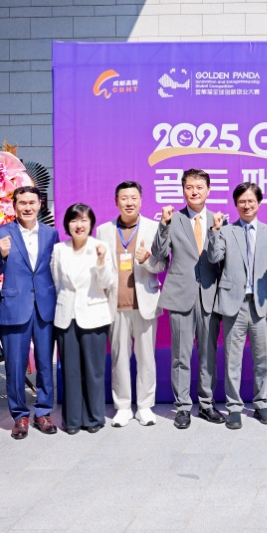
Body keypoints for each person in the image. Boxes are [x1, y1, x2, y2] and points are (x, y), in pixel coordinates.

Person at [207, 182, 267, 430]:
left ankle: (261, 403)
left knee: (262, 359)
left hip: (261, 306)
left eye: (251, 201)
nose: (247, 205)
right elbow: (214, 257)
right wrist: (214, 231)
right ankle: (234, 407)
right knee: (233, 360)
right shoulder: (226, 231)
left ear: (259, 203)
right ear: (236, 204)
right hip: (234, 305)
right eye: (242, 201)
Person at [150, 168, 224, 429]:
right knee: (181, 355)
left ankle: (206, 404)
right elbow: (159, 252)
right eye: (189, 187)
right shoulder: (174, 219)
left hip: (209, 295)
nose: (194, 191)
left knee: (208, 354)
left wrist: (216, 231)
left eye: (199, 187)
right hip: (181, 294)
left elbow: (220, 258)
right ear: (183, 190)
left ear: (208, 190)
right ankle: (182, 407)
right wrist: (163, 225)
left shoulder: (218, 220)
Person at [0, 185, 60, 439]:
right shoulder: (0, 234)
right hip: (14, 308)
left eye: (32, 202)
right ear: (14, 206)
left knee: (45, 364)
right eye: (22, 203)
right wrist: (2, 254)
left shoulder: (51, 234)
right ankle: (20, 416)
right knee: (15, 366)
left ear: (39, 204)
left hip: (45, 308)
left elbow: (56, 269)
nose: (27, 207)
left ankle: (43, 412)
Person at [96, 181, 165, 428]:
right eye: (124, 198)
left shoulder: (153, 228)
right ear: (116, 201)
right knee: (119, 359)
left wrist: (147, 259)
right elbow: (99, 269)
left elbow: (162, 264)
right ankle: (123, 407)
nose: (129, 203)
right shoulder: (103, 231)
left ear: (141, 200)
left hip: (145, 303)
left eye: (133, 198)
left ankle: (145, 407)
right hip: (115, 305)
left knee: (146, 358)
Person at [52, 203, 115, 434]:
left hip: (94, 316)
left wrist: (101, 261)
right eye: (74, 220)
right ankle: (72, 420)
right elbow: (56, 282)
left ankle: (94, 418)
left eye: (84, 220)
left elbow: (107, 283)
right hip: (66, 316)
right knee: (70, 370)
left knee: (93, 371)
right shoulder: (59, 249)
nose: (79, 225)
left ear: (91, 223)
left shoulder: (100, 247)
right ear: (67, 224)